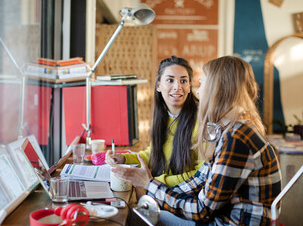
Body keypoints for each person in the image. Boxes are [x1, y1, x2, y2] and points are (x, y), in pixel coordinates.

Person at [110, 56, 282, 225]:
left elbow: (201, 211)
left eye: (202, 84)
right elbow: (200, 179)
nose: (197, 92)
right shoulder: (230, 129)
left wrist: (150, 185)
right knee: (143, 212)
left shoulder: (236, 138)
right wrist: (154, 193)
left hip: (228, 221)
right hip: (220, 214)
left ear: (219, 90)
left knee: (136, 218)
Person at [106, 56, 204, 187]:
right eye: (170, 80)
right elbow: (153, 154)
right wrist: (123, 158)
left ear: (189, 86)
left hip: (183, 197)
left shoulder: (202, 120)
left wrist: (154, 183)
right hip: (160, 192)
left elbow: (202, 174)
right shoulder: (163, 116)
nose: (177, 87)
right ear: (158, 86)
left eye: (183, 81)